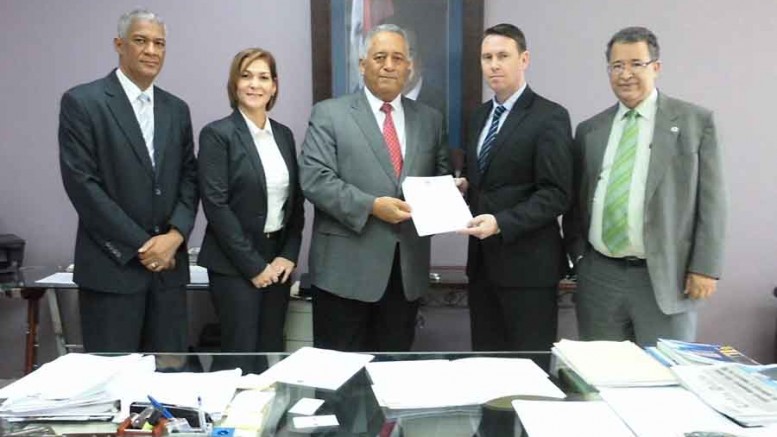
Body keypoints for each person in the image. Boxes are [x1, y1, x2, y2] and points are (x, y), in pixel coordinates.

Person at [564, 27, 727, 346]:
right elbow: (576, 203)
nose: (625, 74)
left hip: (667, 277)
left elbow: (713, 202)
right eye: (616, 66)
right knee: (602, 379)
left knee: (665, 381)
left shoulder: (695, 122)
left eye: (636, 64)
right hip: (600, 278)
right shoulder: (589, 130)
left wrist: (706, 268)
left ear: (656, 67)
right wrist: (579, 258)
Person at [299, 24, 450, 352]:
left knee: (393, 380)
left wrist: (451, 189)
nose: (389, 65)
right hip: (343, 275)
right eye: (380, 56)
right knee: (338, 381)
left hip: (405, 276)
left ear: (409, 67)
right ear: (362, 63)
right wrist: (371, 206)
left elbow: (440, 175)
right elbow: (315, 179)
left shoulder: (431, 119)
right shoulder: (329, 114)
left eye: (398, 57)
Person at [58, 9, 198, 353]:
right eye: (141, 40)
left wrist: (175, 237)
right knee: (114, 386)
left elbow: (190, 178)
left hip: (168, 274)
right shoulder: (83, 102)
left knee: (169, 386)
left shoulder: (176, 109)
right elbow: (83, 186)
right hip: (112, 271)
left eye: (159, 43)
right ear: (119, 45)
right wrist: (144, 245)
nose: (151, 50)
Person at [459, 23, 573, 352]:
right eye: (486, 57)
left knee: (528, 371)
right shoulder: (479, 117)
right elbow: (487, 178)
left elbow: (556, 194)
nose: (493, 64)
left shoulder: (549, 116)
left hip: (529, 270)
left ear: (524, 59)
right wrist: (464, 183)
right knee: (486, 364)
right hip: (482, 268)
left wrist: (501, 223)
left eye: (503, 56)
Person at [197, 48, 304, 373]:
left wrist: (288, 254)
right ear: (234, 84)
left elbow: (295, 202)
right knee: (239, 356)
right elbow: (216, 205)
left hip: (278, 263)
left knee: (269, 354)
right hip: (234, 264)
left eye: (263, 77)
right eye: (246, 76)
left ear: (274, 86)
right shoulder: (218, 134)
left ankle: (264, 422)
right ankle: (230, 423)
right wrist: (255, 266)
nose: (254, 84)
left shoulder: (283, 135)